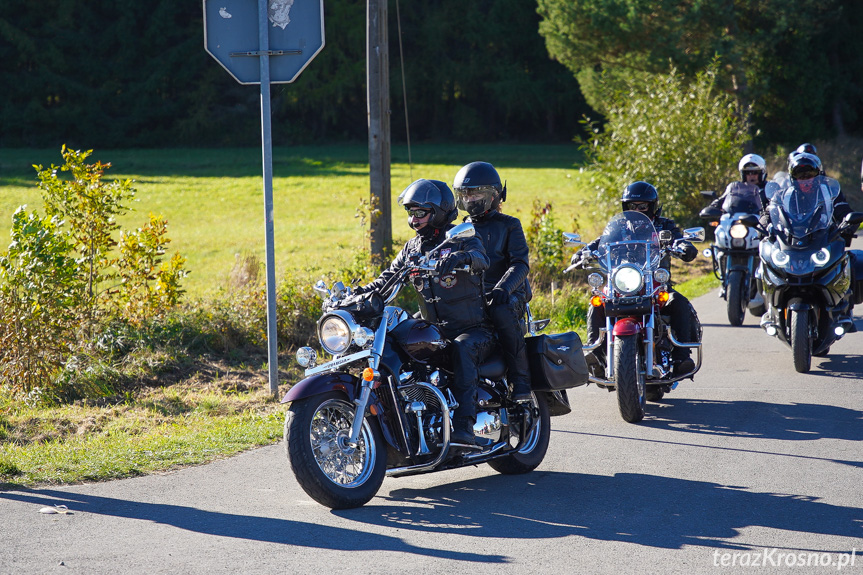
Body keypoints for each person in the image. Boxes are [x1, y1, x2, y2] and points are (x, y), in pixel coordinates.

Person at [355, 179, 492, 445]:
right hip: (435, 328)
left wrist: (461, 258)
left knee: (462, 349)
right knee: (397, 338)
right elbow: (385, 281)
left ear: (440, 212)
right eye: (410, 213)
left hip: (474, 330)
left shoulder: (462, 237)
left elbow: (481, 259)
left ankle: (464, 427)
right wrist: (356, 295)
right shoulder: (412, 249)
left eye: (420, 213)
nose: (414, 220)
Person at [573, 181, 700, 376]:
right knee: (597, 303)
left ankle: (682, 356)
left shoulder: (663, 225)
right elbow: (600, 241)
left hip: (655, 284)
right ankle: (596, 353)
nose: (638, 210)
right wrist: (584, 251)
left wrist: (682, 246)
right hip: (622, 282)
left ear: (653, 206)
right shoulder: (620, 227)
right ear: (626, 207)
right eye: (633, 206)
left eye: (643, 206)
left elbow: (676, 237)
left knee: (679, 302)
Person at [452, 161, 532, 403]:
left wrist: (503, 288)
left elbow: (520, 264)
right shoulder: (460, 230)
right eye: (465, 194)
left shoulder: (509, 225)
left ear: (494, 195)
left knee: (500, 310)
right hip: (474, 296)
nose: (469, 199)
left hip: (509, 293)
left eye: (475, 193)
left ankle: (521, 380)